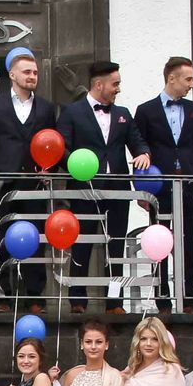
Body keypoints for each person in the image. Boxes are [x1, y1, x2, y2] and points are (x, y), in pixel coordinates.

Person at [55, 60, 151, 312]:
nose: (118, 88)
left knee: (115, 245)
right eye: (115, 84)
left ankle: (114, 302)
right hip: (84, 189)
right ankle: (77, 300)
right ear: (99, 85)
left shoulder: (123, 114)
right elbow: (61, 148)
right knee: (82, 243)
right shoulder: (72, 112)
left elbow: (138, 142)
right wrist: (76, 165)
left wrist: (143, 154)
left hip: (117, 190)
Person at [0, 52, 58, 296]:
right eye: (27, 72)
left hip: (34, 183)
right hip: (1, 184)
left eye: (35, 72)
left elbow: (52, 143)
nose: (32, 76)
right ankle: (1, 294)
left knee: (35, 237)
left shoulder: (46, 108)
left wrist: (49, 169)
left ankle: (35, 295)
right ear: (12, 75)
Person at [131, 56, 193, 308]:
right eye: (188, 79)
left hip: (188, 185)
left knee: (189, 241)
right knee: (159, 241)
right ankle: (162, 298)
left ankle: (189, 299)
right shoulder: (146, 110)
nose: (192, 84)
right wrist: (141, 189)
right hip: (159, 187)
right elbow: (139, 149)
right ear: (171, 78)